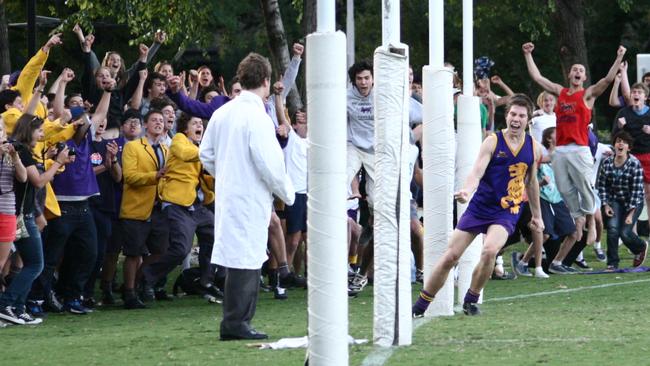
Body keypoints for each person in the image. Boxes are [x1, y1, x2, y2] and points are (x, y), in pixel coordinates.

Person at [413, 94, 544, 317]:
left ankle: (471, 299)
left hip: (507, 210)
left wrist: (537, 216)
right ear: (507, 115)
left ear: (527, 120)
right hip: (480, 206)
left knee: (490, 250)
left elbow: (531, 182)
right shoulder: (493, 141)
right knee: (450, 257)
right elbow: (477, 171)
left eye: (521, 116)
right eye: (513, 113)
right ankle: (420, 306)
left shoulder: (534, 148)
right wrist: (466, 190)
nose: (516, 119)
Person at [199, 52, 294, 340]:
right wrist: (287, 193)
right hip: (250, 195)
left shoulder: (222, 112)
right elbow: (270, 163)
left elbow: (206, 154)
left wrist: (227, 171)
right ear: (266, 82)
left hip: (229, 193)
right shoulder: (257, 116)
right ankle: (236, 323)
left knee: (240, 255)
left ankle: (237, 320)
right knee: (247, 258)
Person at [523, 42, 626, 245]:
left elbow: (607, 79)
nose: (578, 72)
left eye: (581, 70)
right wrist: (527, 54)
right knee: (563, 188)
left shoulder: (587, 95)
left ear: (584, 77)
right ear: (569, 75)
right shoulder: (560, 92)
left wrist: (619, 57)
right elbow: (537, 77)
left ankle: (591, 223)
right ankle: (578, 216)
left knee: (585, 185)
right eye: (574, 70)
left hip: (580, 148)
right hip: (560, 150)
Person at [119, 110, 170, 309]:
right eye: (154, 120)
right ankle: (130, 293)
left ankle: (139, 282)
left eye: (161, 121)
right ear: (145, 125)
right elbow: (130, 176)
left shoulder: (166, 150)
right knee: (133, 253)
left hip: (159, 208)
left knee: (161, 251)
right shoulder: (132, 147)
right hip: (137, 207)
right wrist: (155, 176)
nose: (158, 123)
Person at [597, 131, 647, 270]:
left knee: (625, 233)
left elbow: (637, 192)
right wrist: (606, 204)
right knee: (613, 229)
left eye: (624, 142)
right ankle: (612, 263)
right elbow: (602, 185)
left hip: (633, 201)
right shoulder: (607, 162)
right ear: (614, 145)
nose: (621, 144)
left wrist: (630, 215)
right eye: (618, 141)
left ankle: (641, 247)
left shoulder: (634, 164)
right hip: (615, 200)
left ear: (628, 148)